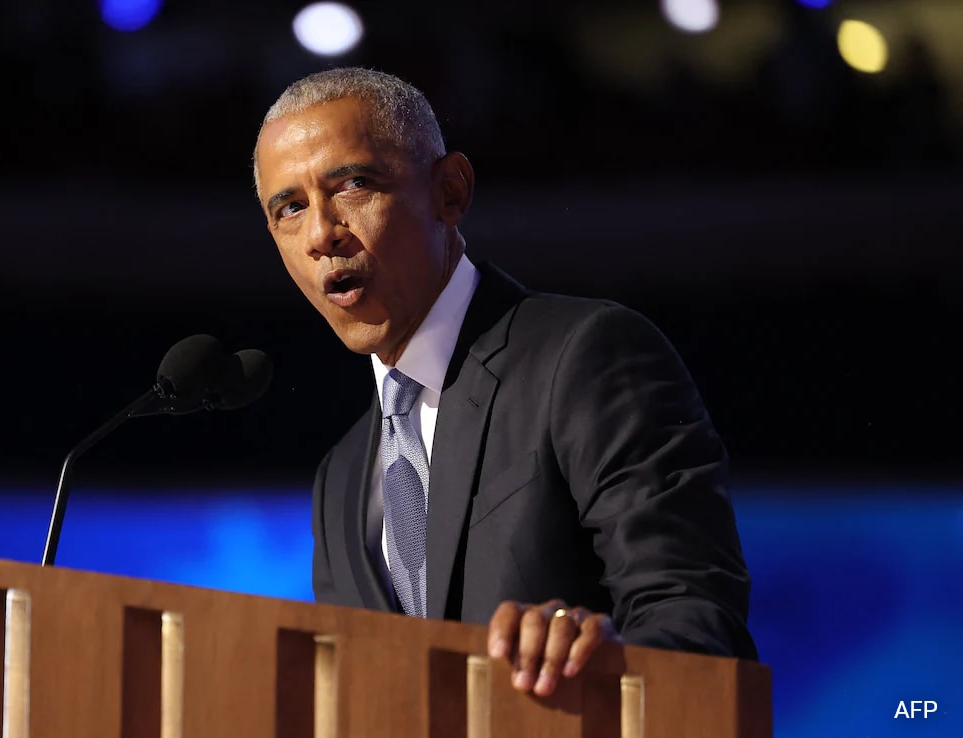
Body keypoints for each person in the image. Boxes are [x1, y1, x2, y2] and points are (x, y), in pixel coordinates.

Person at [252, 67, 756, 698]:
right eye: (290, 208)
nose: (321, 233)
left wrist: (601, 658)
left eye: (354, 184)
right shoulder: (343, 476)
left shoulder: (583, 357)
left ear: (450, 192)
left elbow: (697, 620)